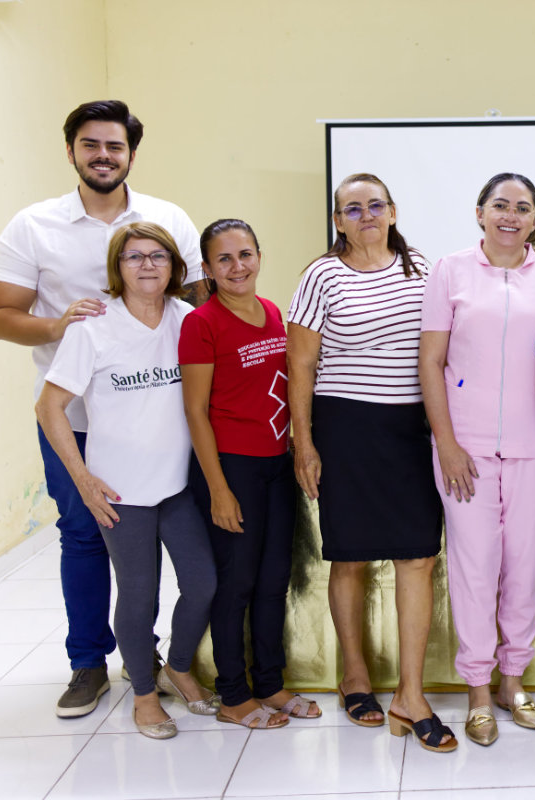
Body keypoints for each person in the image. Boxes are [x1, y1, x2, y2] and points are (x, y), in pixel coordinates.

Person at [0, 100, 205, 718]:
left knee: (161, 549)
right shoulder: (33, 225)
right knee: (83, 535)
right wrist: (60, 325)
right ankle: (88, 663)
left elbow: (197, 310)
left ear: (131, 153)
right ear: (71, 151)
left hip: (156, 418)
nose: (103, 156)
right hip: (74, 419)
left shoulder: (167, 218)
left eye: (114, 146)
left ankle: (150, 658)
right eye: (91, 145)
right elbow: (0, 316)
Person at [288, 174, 455, 753]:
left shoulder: (421, 267)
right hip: (346, 428)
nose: (366, 215)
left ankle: (411, 694)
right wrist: (303, 443)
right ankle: (354, 676)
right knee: (352, 557)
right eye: (353, 208)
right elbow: (300, 364)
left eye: (375, 205)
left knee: (418, 556)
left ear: (393, 211)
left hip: (411, 428)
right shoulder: (322, 275)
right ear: (338, 220)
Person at [34, 222, 218, 740]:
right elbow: (49, 407)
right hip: (120, 492)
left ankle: (176, 667)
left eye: (158, 255)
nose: (147, 265)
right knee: (139, 596)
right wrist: (83, 479)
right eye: (134, 256)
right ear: (118, 267)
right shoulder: (93, 327)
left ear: (174, 266)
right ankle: (143, 694)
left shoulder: (187, 319)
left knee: (203, 583)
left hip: (177, 484)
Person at [418, 172, 535, 747]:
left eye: (522, 207)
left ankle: (513, 680)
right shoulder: (450, 271)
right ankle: (478, 688)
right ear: (480, 212)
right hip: (466, 450)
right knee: (475, 568)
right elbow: (431, 361)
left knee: (522, 569)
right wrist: (447, 443)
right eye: (500, 205)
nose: (511, 215)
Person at [181, 219, 317, 730]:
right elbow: (195, 412)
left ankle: (269, 682)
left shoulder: (274, 312)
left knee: (273, 580)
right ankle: (233, 695)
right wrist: (218, 489)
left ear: (259, 256)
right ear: (207, 268)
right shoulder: (201, 324)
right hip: (231, 467)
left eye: (245, 255)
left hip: (276, 465)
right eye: (224, 259)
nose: (237, 266)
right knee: (236, 583)